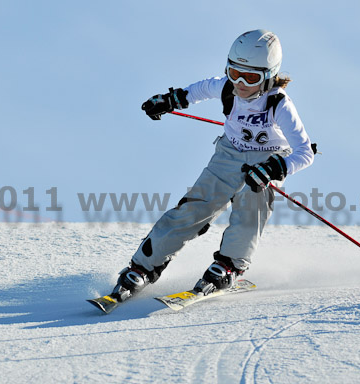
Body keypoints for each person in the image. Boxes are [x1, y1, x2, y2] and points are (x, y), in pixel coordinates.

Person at [111, 29, 314, 302]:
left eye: (251, 77)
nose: (240, 83)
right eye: (234, 73)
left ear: (269, 76)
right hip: (228, 155)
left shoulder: (279, 104)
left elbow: (304, 153)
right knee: (194, 207)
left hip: (266, 161)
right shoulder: (225, 88)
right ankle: (143, 267)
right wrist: (169, 101)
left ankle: (230, 264)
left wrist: (274, 169)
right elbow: (194, 92)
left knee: (250, 204)